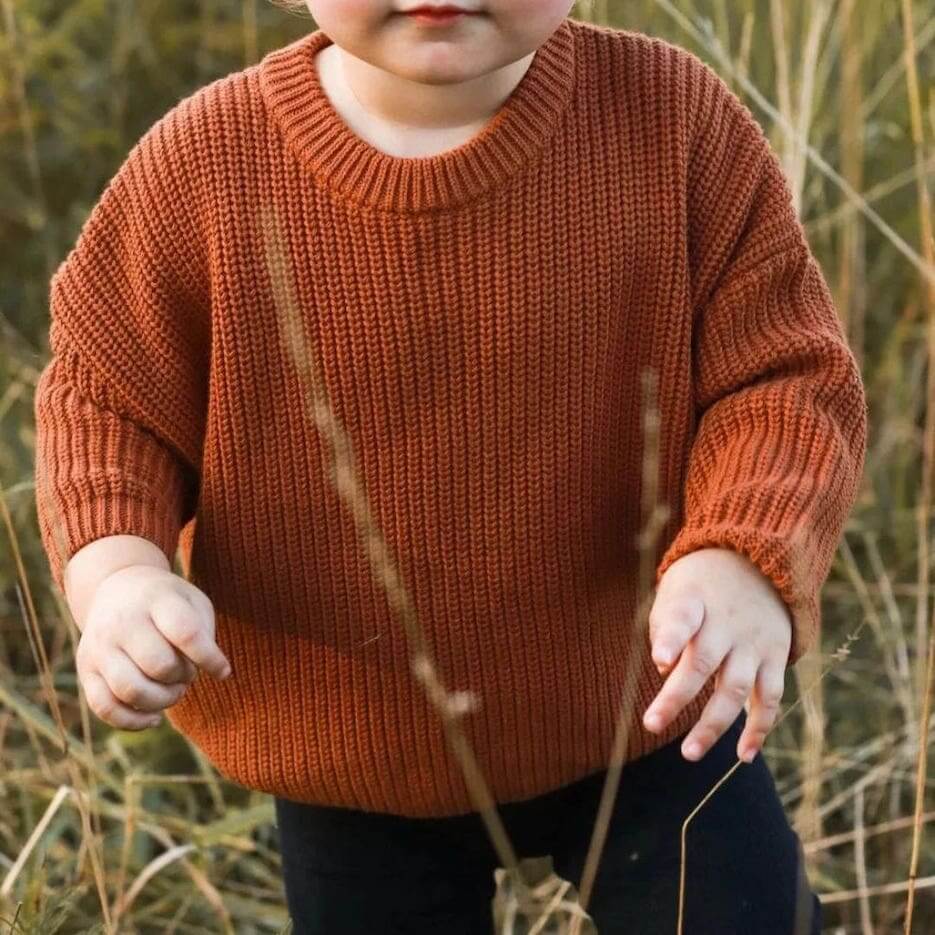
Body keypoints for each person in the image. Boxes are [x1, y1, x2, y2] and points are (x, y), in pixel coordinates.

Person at [34, 1, 867, 932]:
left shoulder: (672, 120)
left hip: (650, 701)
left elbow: (780, 375)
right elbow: (108, 402)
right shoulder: (203, 166)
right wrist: (119, 574)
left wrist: (742, 551)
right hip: (353, 751)